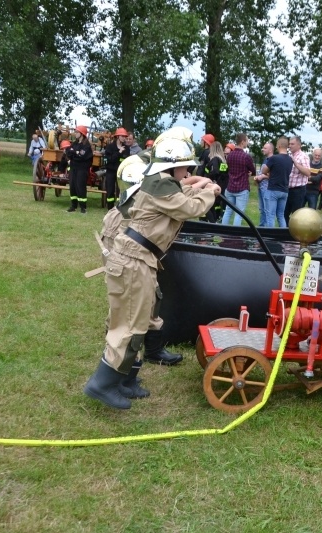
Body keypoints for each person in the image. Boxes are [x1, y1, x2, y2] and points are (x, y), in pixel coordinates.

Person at [83, 136, 221, 410]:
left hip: (139, 259)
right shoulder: (160, 185)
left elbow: (181, 198)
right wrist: (210, 191)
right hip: (133, 260)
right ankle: (101, 384)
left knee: (141, 320)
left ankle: (123, 380)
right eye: (185, 167)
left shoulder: (163, 183)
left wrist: (200, 187)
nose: (188, 173)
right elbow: (190, 207)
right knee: (129, 325)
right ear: (172, 167)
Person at [220, 133, 256, 226]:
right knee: (239, 214)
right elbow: (253, 170)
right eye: (247, 141)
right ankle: (236, 235)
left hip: (230, 186)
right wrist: (249, 172)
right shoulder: (246, 156)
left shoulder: (230, 155)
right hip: (242, 187)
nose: (247, 143)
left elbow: (228, 169)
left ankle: (224, 231)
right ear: (243, 141)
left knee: (228, 211)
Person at [64, 125, 94, 214]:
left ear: (81, 134)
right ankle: (73, 206)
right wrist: (75, 153)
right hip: (73, 168)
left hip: (82, 169)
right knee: (72, 186)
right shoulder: (75, 143)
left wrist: (74, 154)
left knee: (80, 187)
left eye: (77, 132)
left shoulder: (86, 146)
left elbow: (82, 156)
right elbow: (69, 153)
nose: (75, 133)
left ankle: (83, 207)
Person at [265, 136, 293, 228]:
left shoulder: (274, 158)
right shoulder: (290, 159)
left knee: (271, 215)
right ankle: (282, 235)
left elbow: (264, 171)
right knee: (281, 215)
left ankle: (270, 236)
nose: (276, 147)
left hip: (273, 189)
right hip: (284, 190)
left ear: (280, 145)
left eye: (277, 145)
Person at [285, 136, 311, 224]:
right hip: (287, 189)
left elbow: (308, 172)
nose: (290, 146)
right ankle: (286, 232)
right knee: (284, 213)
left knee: (295, 215)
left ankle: (294, 235)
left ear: (299, 145)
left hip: (298, 190)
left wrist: (295, 163)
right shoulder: (289, 155)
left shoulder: (303, 156)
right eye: (289, 144)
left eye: (292, 144)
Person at [103, 127, 130, 209]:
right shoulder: (110, 147)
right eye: (122, 136)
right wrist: (119, 153)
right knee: (110, 191)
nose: (124, 138)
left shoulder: (127, 148)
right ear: (117, 136)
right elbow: (108, 160)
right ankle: (110, 209)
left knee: (121, 191)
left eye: (125, 136)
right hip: (110, 172)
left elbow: (126, 160)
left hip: (121, 173)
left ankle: (119, 209)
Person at [202, 141, 228, 223]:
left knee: (208, 206)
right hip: (221, 186)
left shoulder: (215, 159)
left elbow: (215, 172)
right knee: (216, 205)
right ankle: (216, 220)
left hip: (213, 186)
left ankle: (213, 222)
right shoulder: (223, 160)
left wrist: (208, 179)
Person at [255, 142, 274, 226]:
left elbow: (274, 176)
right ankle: (261, 226)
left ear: (270, 150)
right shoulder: (265, 159)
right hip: (261, 187)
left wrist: (263, 177)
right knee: (262, 209)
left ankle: (266, 228)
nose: (263, 149)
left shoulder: (273, 160)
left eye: (265, 148)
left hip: (267, 188)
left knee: (267, 210)